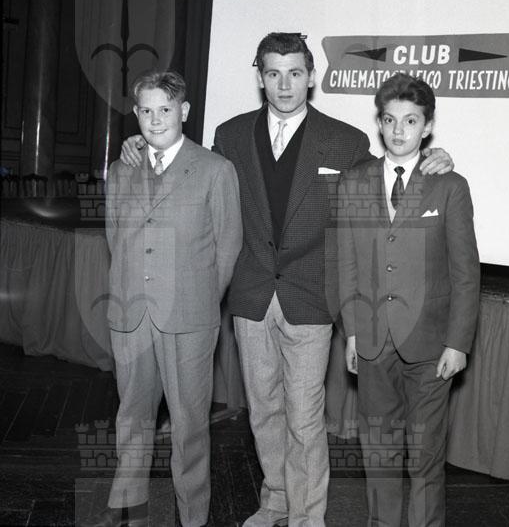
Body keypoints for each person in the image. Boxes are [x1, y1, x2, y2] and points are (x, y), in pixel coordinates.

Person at [119, 33, 453, 526]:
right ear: (260, 77)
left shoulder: (344, 141)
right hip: (251, 294)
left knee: (304, 415)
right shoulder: (231, 135)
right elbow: (187, 165)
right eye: (273, 73)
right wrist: (137, 143)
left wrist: (431, 161)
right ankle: (275, 500)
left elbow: (388, 178)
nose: (284, 84)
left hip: (311, 298)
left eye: (295, 73)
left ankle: (307, 517)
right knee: (263, 413)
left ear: (311, 77)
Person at [81, 71, 242, 527]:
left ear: (184, 111)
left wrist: (200, 299)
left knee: (190, 425)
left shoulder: (215, 169)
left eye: (165, 110)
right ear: (136, 114)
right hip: (132, 315)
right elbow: (116, 238)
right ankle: (126, 505)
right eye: (146, 111)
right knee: (131, 417)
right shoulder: (122, 169)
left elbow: (228, 247)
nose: (155, 120)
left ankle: (192, 516)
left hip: (190, 317)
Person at [337, 72, 480, 527]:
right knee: (378, 454)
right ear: (379, 123)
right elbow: (347, 263)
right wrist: (352, 332)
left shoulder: (449, 185)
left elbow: (466, 272)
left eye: (411, 120)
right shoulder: (354, 183)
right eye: (390, 120)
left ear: (428, 126)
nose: (399, 131)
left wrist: (458, 343)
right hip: (372, 340)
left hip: (432, 345)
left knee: (424, 456)